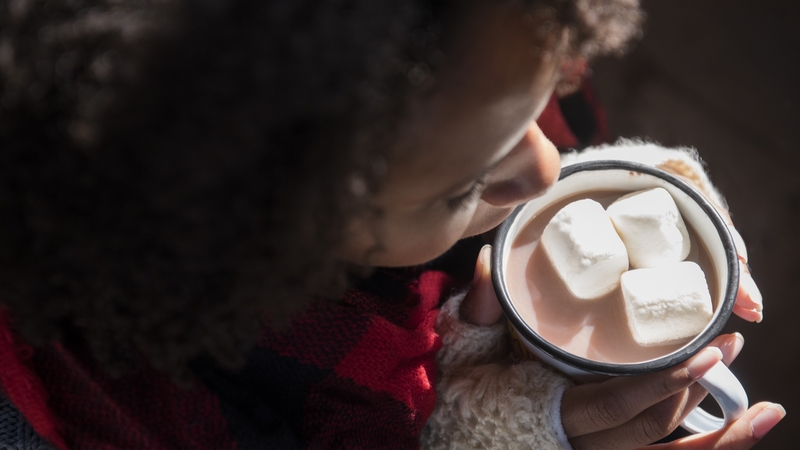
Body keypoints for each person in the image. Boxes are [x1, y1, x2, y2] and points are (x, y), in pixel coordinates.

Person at [0, 0, 783, 448]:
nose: (547, 170)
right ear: (267, 237)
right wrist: (477, 435)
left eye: (542, 95)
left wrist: (634, 192)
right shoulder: (166, 399)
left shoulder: (442, 62)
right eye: (466, 182)